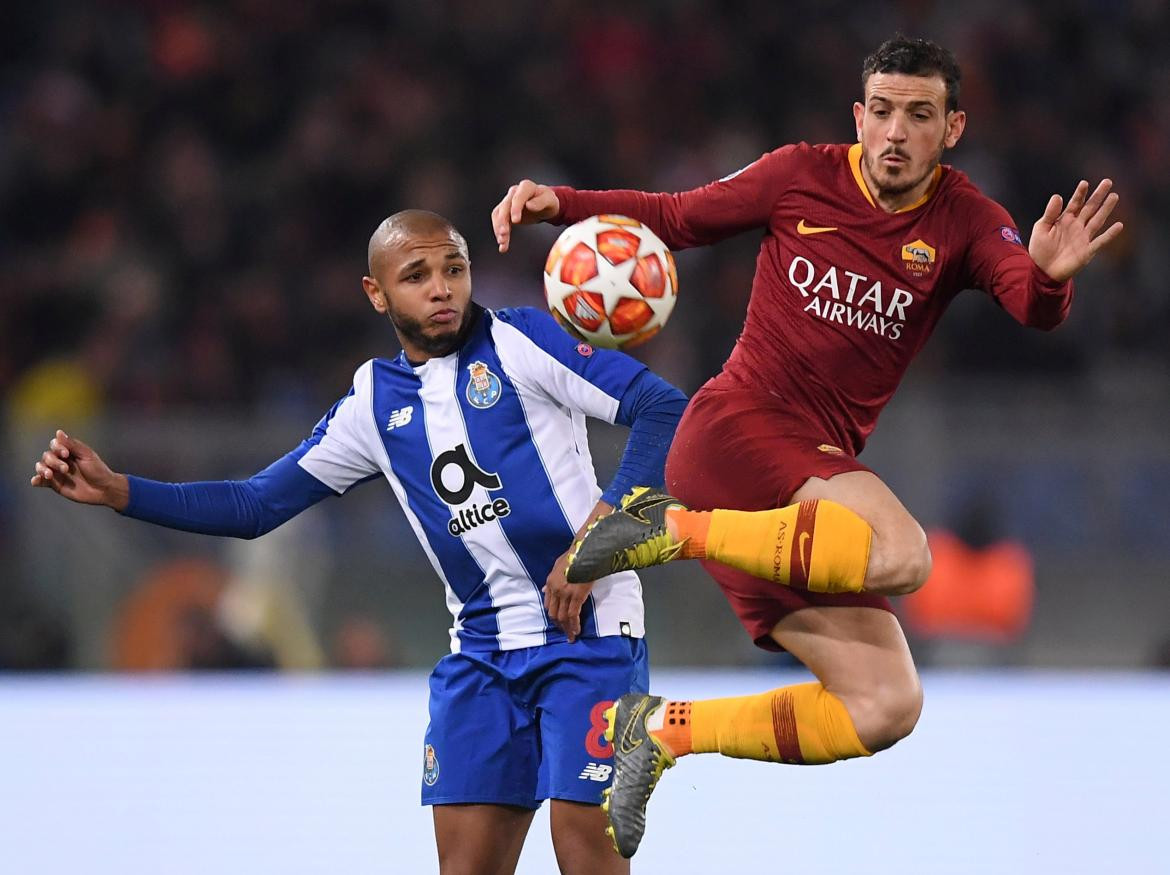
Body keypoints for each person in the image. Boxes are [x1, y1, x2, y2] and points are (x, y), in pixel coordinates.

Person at [492, 35, 1123, 858]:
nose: (896, 132)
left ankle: (658, 729)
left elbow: (1030, 305)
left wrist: (1048, 277)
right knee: (904, 554)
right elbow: (679, 217)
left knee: (886, 703)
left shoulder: (968, 219)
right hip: (734, 432)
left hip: (797, 498)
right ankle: (667, 530)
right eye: (884, 112)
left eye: (920, 115)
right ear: (859, 116)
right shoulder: (800, 175)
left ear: (953, 128)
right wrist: (564, 206)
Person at [30, 209, 688, 875]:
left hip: (590, 637)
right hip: (482, 659)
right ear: (377, 294)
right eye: (417, 275)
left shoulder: (522, 341)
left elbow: (663, 406)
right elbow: (257, 502)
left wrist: (598, 540)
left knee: (586, 857)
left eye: (453, 269)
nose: (442, 288)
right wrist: (122, 491)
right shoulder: (375, 402)